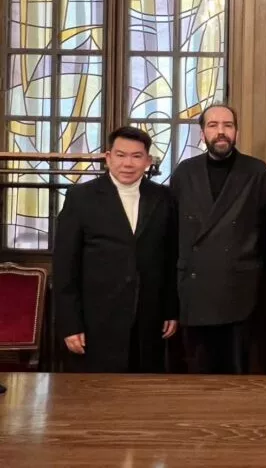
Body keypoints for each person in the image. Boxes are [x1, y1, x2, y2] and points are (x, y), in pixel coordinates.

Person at [54, 126, 178, 373]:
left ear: (148, 161)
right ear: (108, 157)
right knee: (97, 392)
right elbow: (65, 265)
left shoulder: (163, 197)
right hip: (96, 322)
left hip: (148, 320)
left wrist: (171, 309)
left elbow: (171, 257)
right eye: (121, 155)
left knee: (143, 390)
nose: (128, 164)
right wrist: (70, 324)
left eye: (136, 156)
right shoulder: (81, 197)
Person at [171, 103, 266, 374]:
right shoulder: (185, 173)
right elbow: (173, 235)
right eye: (213, 125)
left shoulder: (258, 173)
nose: (221, 131)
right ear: (202, 134)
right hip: (195, 294)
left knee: (239, 380)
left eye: (227, 125)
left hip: (242, 295)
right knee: (198, 379)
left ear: (236, 132)